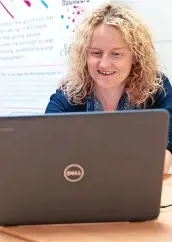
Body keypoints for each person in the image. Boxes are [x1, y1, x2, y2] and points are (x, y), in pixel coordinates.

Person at [45, 3, 172, 174]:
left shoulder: (156, 86)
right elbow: (46, 141)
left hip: (135, 189)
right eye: (96, 53)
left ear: (135, 56)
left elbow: (168, 142)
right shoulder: (70, 92)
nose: (104, 64)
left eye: (116, 54)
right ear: (85, 55)